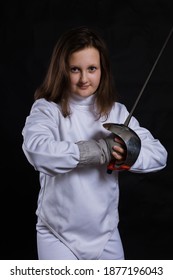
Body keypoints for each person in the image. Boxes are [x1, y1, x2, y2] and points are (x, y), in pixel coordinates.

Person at [22, 26, 167, 260]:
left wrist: (129, 153)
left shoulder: (117, 113)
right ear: (62, 70)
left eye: (91, 69)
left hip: (105, 234)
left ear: (102, 70)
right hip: (57, 234)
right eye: (74, 69)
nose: (83, 79)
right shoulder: (47, 109)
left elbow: (159, 155)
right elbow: (37, 151)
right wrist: (101, 150)